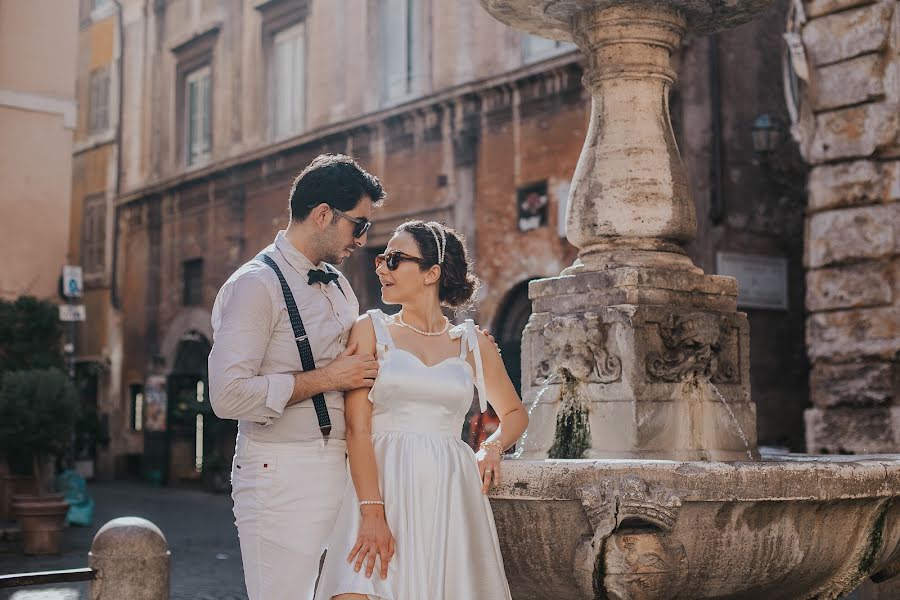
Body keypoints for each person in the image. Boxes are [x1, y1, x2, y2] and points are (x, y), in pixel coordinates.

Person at [315, 220, 529, 600]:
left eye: (394, 259)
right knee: (356, 588)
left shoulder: (473, 343)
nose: (380, 267)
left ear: (432, 273)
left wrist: (492, 447)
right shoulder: (370, 329)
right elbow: (357, 430)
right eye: (381, 258)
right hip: (382, 486)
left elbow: (515, 414)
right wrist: (372, 512)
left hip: (451, 491)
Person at [208, 154, 385, 600]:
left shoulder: (340, 285)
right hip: (278, 472)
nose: (362, 240)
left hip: (342, 470)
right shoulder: (255, 285)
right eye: (358, 226)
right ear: (324, 214)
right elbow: (227, 397)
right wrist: (327, 378)